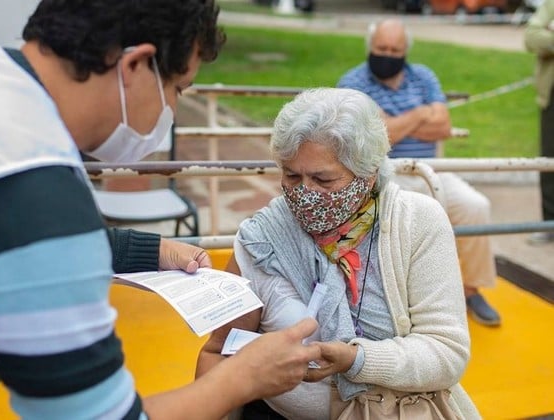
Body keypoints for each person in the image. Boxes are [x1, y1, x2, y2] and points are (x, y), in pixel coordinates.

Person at [0, 1, 323, 418]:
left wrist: (147, 250)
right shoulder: (32, 189)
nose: (172, 110)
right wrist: (243, 377)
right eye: (178, 89)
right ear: (135, 65)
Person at [196, 87, 480, 420]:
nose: (305, 193)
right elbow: (219, 351)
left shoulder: (416, 221)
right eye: (291, 175)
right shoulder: (263, 239)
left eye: (323, 179)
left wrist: (356, 360)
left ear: (367, 176)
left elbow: (446, 353)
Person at [336, 18, 501, 327]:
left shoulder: (423, 76)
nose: (387, 55)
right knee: (409, 216)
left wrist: (396, 123)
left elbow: (443, 126)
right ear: (370, 47)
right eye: (382, 48)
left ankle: (471, 289)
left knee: (475, 206)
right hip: (384, 174)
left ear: (405, 51)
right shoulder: (353, 83)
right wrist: (422, 113)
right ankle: (405, 300)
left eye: (394, 50)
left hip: (433, 171)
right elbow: (380, 136)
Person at [525, 0, 554, 245]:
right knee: (549, 161)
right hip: (552, 97)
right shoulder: (551, 5)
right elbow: (531, 38)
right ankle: (550, 225)